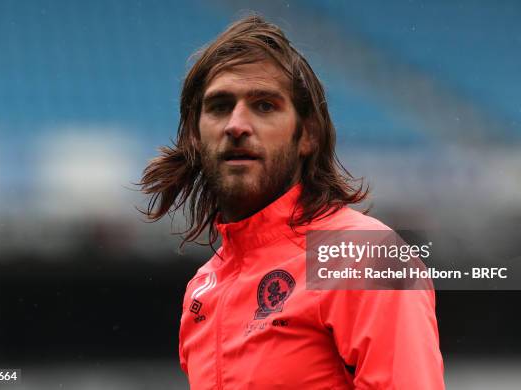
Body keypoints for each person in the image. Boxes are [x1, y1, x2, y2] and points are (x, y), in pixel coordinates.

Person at [140, 15, 444, 389]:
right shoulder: (203, 289)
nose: (237, 124)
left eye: (265, 105)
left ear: (308, 136)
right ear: (194, 136)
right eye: (219, 106)